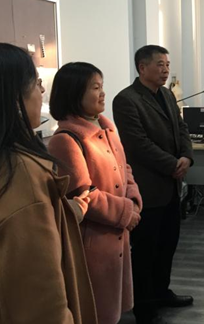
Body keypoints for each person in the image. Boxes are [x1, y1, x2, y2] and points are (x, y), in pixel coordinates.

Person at [0, 42, 97, 324]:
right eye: (37, 83)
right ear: (12, 98)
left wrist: (67, 211)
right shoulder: (20, 176)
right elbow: (42, 309)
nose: (42, 92)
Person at [47, 62, 143, 324]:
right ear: (75, 92)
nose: (103, 93)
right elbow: (84, 194)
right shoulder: (66, 139)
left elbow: (125, 169)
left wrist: (134, 201)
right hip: (93, 242)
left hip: (116, 235)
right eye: (95, 87)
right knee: (95, 312)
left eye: (102, 86)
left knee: (111, 310)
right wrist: (127, 212)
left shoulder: (105, 127)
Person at [113, 45, 194, 324]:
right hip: (147, 187)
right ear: (142, 67)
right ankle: (144, 307)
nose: (165, 69)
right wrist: (172, 164)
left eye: (167, 64)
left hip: (171, 187)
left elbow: (181, 128)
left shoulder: (167, 95)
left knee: (167, 245)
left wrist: (187, 156)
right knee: (145, 250)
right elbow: (138, 144)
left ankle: (162, 292)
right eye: (160, 64)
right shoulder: (126, 100)